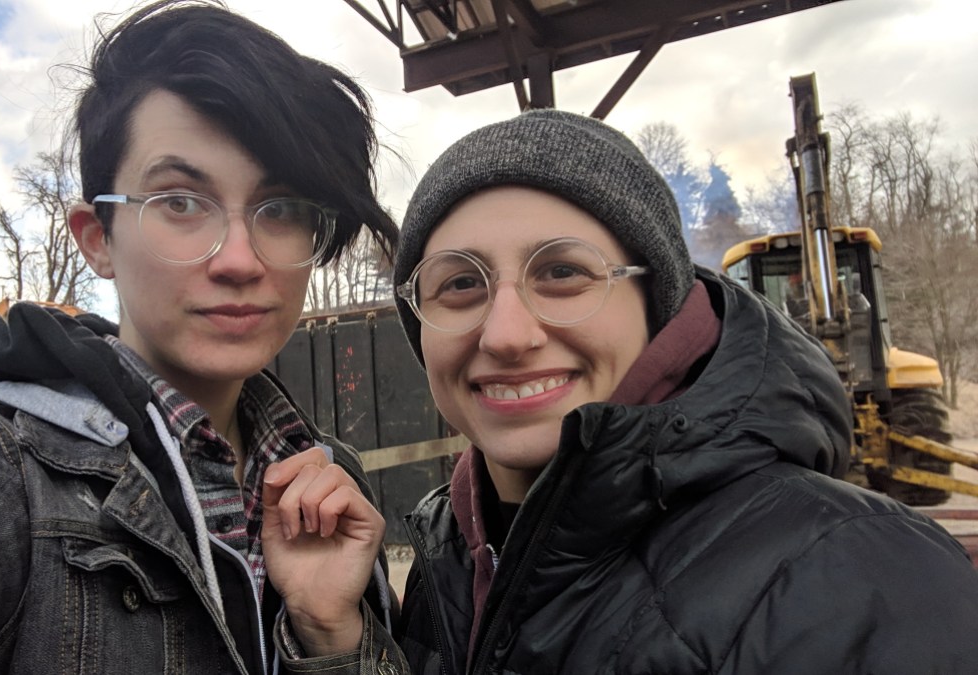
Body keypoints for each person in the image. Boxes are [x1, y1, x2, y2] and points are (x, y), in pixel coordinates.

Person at [0, 2, 409, 673]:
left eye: (279, 208)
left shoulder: (332, 476)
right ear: (96, 239)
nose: (240, 260)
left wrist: (332, 636)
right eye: (180, 202)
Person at [389, 109, 978, 673]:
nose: (507, 335)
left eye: (562, 272)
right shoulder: (444, 552)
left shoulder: (868, 575)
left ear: (658, 305)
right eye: (460, 282)